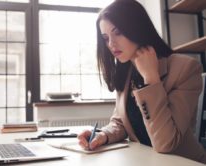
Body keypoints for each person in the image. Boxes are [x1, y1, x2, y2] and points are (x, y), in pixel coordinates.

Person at [77, 0, 206, 163]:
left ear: (136, 28)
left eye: (118, 32)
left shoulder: (185, 69)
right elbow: (120, 122)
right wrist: (103, 135)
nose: (111, 43)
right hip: (144, 160)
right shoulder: (126, 70)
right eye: (105, 37)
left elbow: (167, 143)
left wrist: (151, 79)